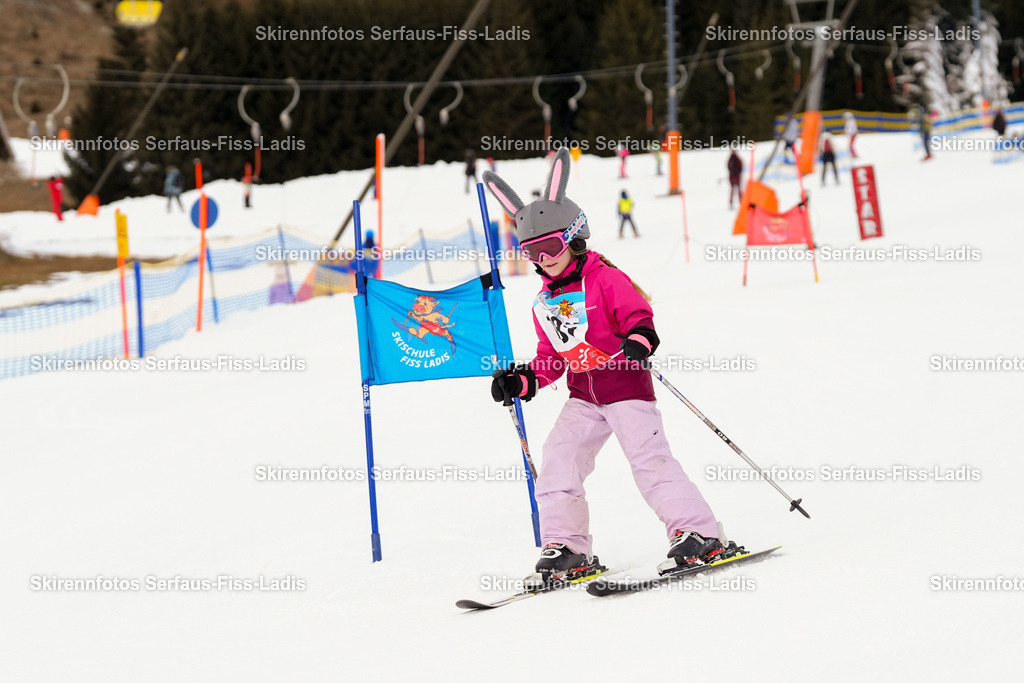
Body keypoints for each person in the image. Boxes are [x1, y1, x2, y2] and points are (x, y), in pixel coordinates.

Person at [483, 148, 734, 584]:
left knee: (649, 461)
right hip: (584, 396)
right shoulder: (544, 303)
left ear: (575, 237)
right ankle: (567, 548)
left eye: (550, 247)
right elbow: (550, 359)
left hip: (626, 389)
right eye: (531, 252)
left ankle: (698, 533)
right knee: (559, 460)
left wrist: (639, 340)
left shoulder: (605, 279)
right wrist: (524, 379)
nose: (543, 260)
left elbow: (639, 317)